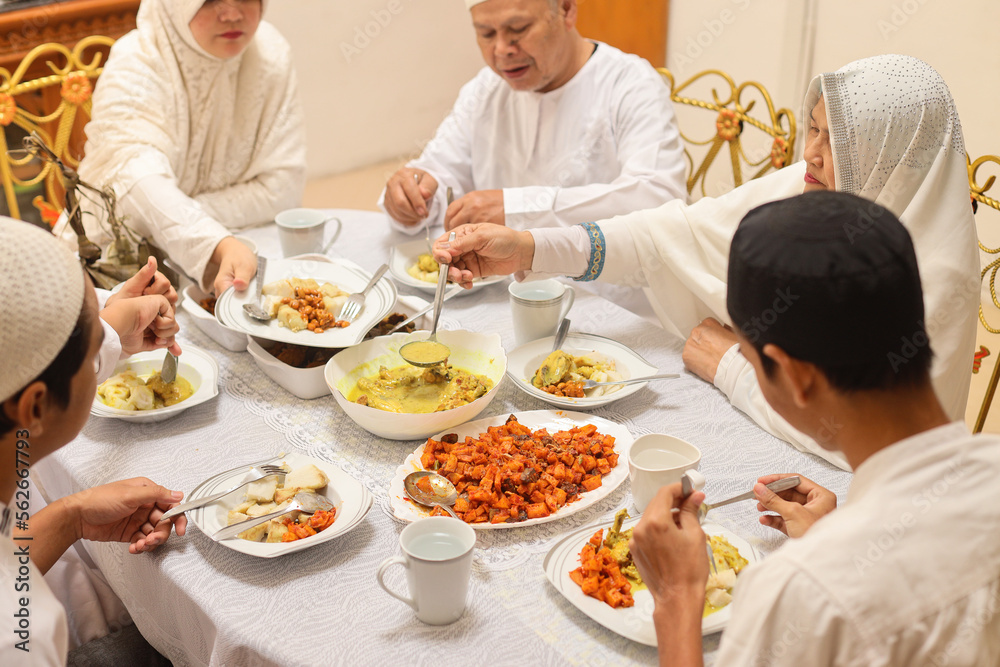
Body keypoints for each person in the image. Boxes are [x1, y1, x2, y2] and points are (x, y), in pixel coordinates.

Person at [433, 55, 979, 469]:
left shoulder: (936, 281)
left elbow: (884, 451)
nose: (810, 153)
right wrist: (529, 248)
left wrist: (732, 368)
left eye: (840, 141)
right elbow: (670, 236)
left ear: (897, 160)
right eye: (813, 128)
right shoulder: (808, 187)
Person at [628, 192, 1000, 666]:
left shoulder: (802, 595)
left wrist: (677, 596)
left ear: (797, 376)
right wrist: (837, 537)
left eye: (745, 353)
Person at [0, 219, 188, 665]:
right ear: (34, 408)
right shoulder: (21, 634)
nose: (106, 352)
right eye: (93, 351)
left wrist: (69, 517)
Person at [380, 0, 686, 234]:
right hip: (500, 286)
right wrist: (412, 196)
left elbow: (657, 200)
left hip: (606, 295)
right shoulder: (486, 89)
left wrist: (519, 208)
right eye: (486, 34)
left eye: (518, 30)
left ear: (566, 10)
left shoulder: (631, 84)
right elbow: (441, 170)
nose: (501, 50)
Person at [68, 0, 306, 296]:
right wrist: (214, 241)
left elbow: (282, 189)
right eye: (210, 0)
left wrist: (182, 216)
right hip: (118, 270)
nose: (232, 13)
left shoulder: (270, 53)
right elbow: (137, 184)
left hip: (229, 249)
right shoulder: (136, 62)